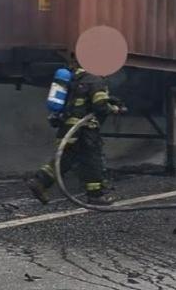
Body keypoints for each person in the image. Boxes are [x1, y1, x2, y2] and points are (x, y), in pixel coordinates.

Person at [25, 63, 124, 205]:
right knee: (91, 160)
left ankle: (40, 181)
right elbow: (100, 106)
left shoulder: (75, 78)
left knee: (66, 158)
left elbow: (82, 99)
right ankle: (95, 195)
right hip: (85, 130)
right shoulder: (95, 79)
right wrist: (114, 109)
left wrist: (110, 99)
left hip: (68, 127)